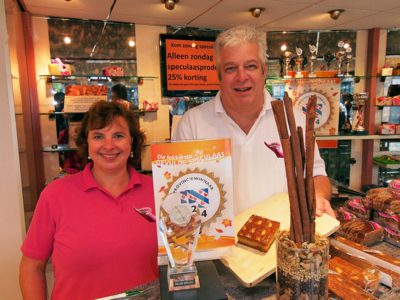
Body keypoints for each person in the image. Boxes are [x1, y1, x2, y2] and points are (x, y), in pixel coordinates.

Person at [173, 25, 335, 217]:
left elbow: (316, 175)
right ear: (219, 75)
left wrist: (317, 196)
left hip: (280, 241)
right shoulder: (192, 123)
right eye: (231, 68)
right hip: (217, 243)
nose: (242, 77)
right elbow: (180, 190)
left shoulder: (294, 121)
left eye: (250, 66)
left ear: (263, 70)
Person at [20, 101, 158, 299]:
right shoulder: (55, 195)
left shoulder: (157, 191)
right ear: (87, 143)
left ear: (132, 142)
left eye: (118, 136)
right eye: (98, 136)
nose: (109, 145)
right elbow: (32, 266)